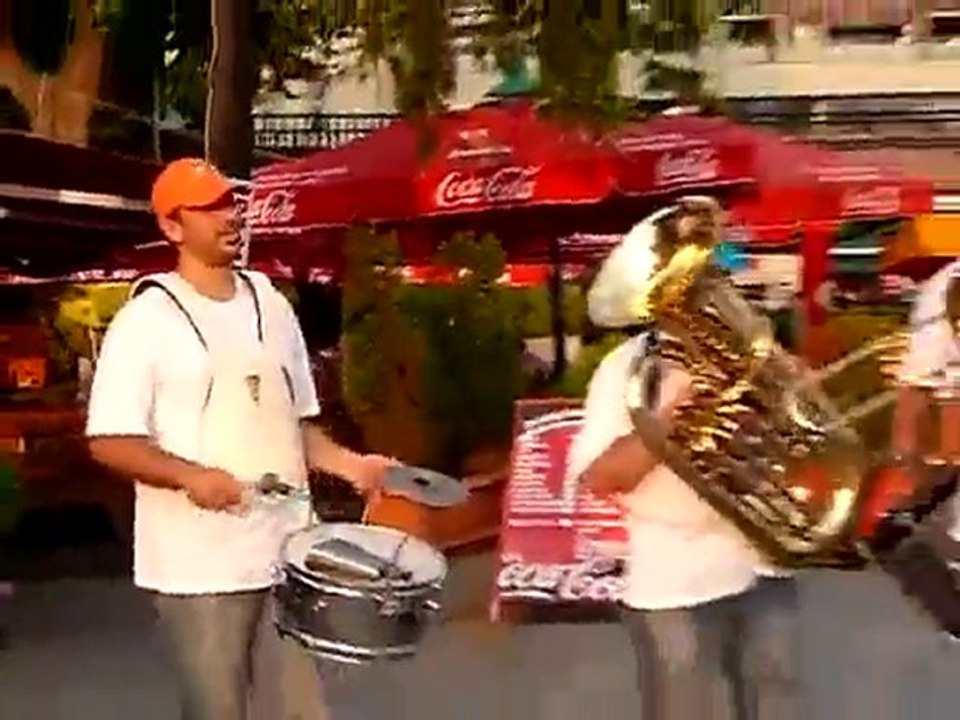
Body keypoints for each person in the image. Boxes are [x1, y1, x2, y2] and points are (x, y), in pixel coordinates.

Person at [85, 158, 393, 720]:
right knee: (217, 711)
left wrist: (352, 465)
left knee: (300, 712)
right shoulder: (146, 320)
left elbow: (294, 424)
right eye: (208, 208)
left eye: (231, 203)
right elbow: (109, 440)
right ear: (172, 226)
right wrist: (189, 476)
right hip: (199, 566)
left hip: (288, 553)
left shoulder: (272, 305)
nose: (229, 217)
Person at [566, 216, 803, 720]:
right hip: (677, 581)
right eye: (690, 284)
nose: (708, 293)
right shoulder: (625, 370)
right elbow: (602, 477)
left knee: (776, 706)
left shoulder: (757, 356)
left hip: (766, 565)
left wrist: (794, 404)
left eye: (710, 278)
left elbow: (800, 454)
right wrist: (669, 413)